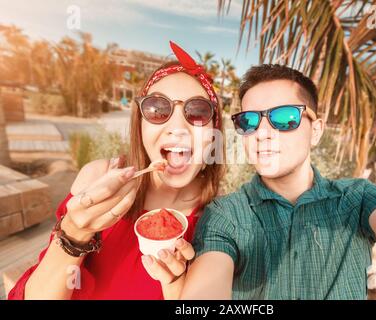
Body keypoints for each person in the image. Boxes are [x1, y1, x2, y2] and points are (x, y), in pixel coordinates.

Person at [179, 64, 376, 300]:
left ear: (316, 131)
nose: (261, 133)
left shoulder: (357, 200)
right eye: (248, 121)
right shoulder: (226, 215)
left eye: (284, 118)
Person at [8, 41, 225, 300]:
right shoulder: (96, 178)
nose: (177, 127)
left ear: (214, 134)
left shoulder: (222, 222)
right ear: (140, 125)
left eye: (198, 111)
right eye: (158, 109)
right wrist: (74, 233)